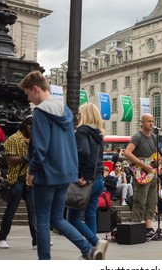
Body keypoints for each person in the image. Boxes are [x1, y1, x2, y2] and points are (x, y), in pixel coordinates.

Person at [20, 70, 102, 260]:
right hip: (66, 173)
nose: (29, 99)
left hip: (47, 173)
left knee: (42, 219)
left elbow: (40, 146)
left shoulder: (41, 112)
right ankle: (88, 249)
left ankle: (45, 263)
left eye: (28, 94)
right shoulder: (65, 110)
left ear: (35, 89)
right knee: (57, 218)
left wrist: (32, 171)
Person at [124, 113, 162, 238]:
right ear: (142, 123)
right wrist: (142, 165)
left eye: (152, 121)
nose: (151, 123)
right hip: (141, 173)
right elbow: (127, 153)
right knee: (140, 200)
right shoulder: (137, 137)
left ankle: (148, 228)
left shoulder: (154, 137)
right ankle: (136, 227)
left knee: (151, 201)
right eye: (148, 121)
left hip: (152, 174)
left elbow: (155, 160)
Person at [67, 102, 108, 259]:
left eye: (79, 113)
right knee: (90, 214)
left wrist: (80, 174)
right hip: (98, 179)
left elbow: (83, 152)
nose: (77, 116)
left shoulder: (82, 131)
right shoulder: (99, 133)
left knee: (72, 218)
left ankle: (95, 243)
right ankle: (91, 252)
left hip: (86, 179)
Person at [0, 115, 37, 249]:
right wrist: (24, 158)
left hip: (29, 180)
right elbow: (9, 160)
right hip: (17, 180)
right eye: (30, 127)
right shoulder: (14, 139)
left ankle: (37, 241)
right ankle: (2, 237)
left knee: (33, 210)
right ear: (24, 125)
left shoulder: (35, 139)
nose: (32, 129)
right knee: (11, 209)